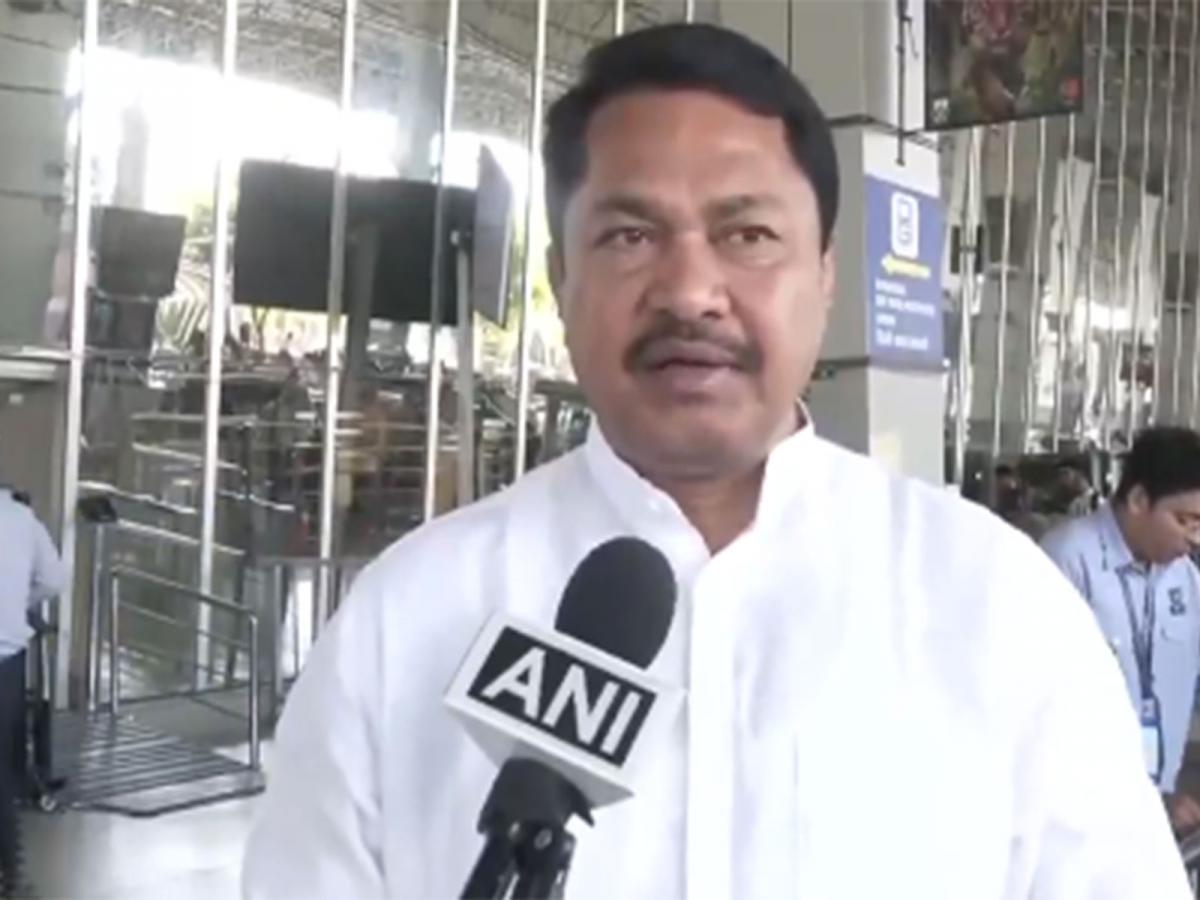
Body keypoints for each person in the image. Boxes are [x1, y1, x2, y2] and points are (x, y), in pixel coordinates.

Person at [243, 24, 1188, 898]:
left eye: (748, 235)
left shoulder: (1001, 609)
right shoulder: (403, 622)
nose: (691, 290)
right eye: (630, 235)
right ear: (562, 281)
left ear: (825, 277)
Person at [1041, 427, 1200, 837]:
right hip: (1078, 813)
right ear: (1139, 500)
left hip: (1158, 806)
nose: (1195, 539)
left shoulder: (1184, 577)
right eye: (1185, 521)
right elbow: (1042, 703)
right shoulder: (1067, 560)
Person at [0, 486, 65, 898]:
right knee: (2, 772)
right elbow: (54, 580)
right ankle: (11, 875)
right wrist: (21, 602)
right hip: (5, 663)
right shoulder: (21, 519)